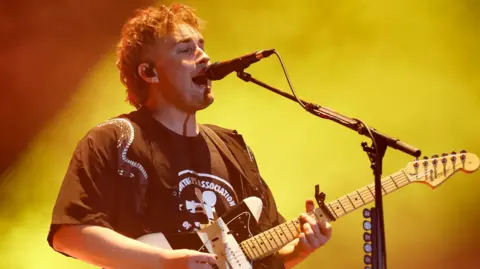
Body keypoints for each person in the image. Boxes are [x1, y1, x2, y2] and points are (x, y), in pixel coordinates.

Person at [47, 3, 332, 269]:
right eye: (185, 50)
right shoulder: (116, 139)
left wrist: (297, 251)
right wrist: (164, 261)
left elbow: (253, 256)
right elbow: (69, 234)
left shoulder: (233, 147)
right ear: (148, 72)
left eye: (201, 46)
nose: (204, 56)